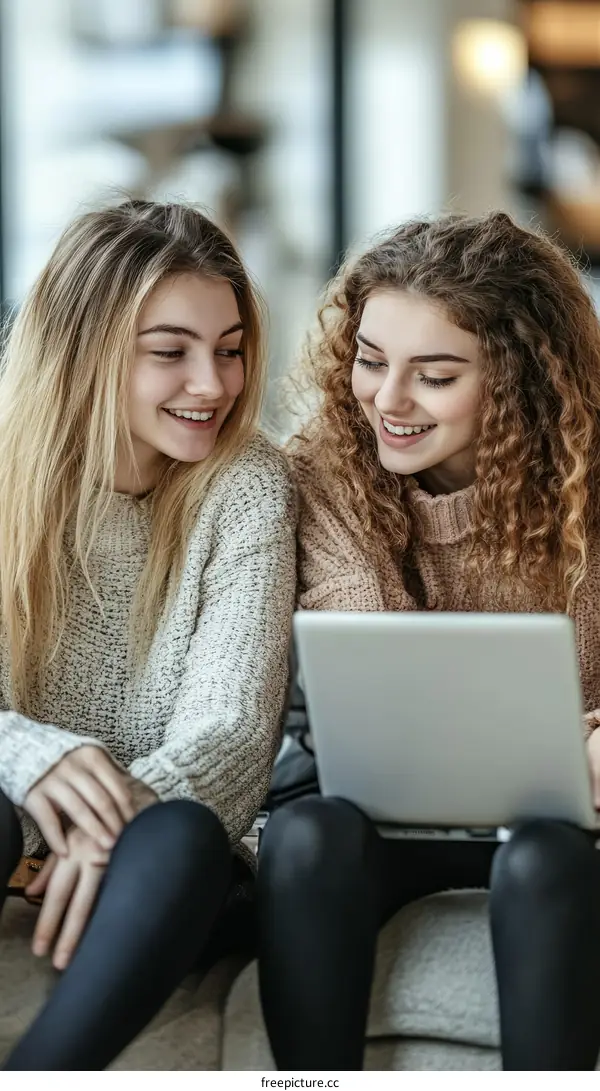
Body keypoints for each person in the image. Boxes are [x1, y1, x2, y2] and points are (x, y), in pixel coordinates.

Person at [256, 211, 600, 1071]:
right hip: (388, 816)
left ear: (520, 379)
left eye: (435, 375)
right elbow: (370, 653)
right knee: (305, 837)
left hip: (569, 822)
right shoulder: (326, 470)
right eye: (372, 360)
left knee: (549, 858)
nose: (387, 400)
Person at [0, 199, 296, 1070]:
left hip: (170, 862)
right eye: (170, 352)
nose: (213, 383)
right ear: (85, 348)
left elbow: (232, 731)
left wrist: (107, 826)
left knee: (179, 836)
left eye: (231, 349)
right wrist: (30, 755)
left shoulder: (248, 487)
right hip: (15, 823)